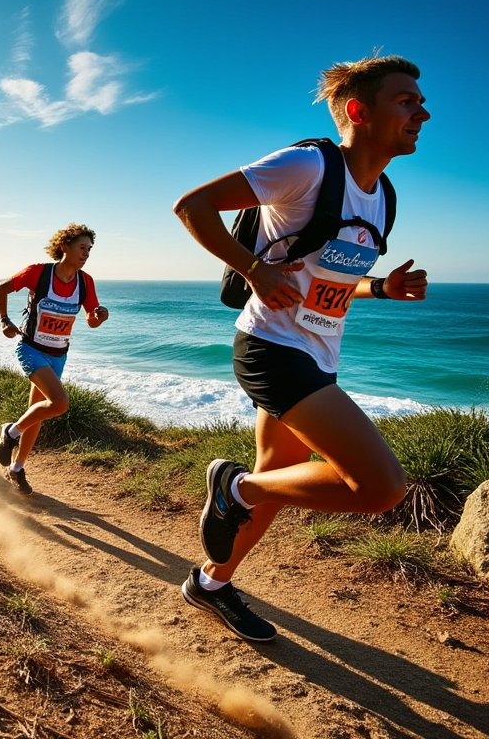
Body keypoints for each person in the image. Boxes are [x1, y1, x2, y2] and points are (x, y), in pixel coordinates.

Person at [171, 54, 430, 642]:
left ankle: (210, 582)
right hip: (271, 347)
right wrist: (254, 269)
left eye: (420, 102)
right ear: (358, 111)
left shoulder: (383, 195)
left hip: (318, 354)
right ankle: (233, 488)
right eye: (406, 101)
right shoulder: (308, 165)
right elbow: (193, 206)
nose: (423, 113)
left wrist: (381, 288)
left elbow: (328, 279)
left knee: (279, 474)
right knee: (381, 487)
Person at [0, 224, 109, 496]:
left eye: (89, 249)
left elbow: (91, 319)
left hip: (59, 355)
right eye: (82, 247)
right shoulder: (38, 272)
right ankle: (10, 432)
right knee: (59, 403)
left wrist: (99, 317)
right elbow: (2, 288)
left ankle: (16, 468)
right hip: (32, 349)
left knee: (37, 412)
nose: (86, 253)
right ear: (64, 247)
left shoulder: (85, 282)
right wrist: (4, 320)